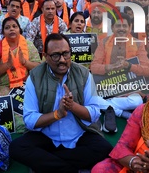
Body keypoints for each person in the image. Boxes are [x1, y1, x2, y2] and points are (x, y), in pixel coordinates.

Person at [9, 33, 112, 173]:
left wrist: (73, 106)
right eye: (56, 55)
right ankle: (69, 168)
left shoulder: (84, 74)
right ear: (45, 56)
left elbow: (94, 114)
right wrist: (58, 114)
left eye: (66, 54)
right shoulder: (35, 77)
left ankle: (49, 164)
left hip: (78, 135)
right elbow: (29, 120)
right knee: (17, 147)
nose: (62, 60)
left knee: (104, 148)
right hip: (47, 137)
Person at [0, 17, 41, 95]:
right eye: (7, 28)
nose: (11, 29)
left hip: (25, 83)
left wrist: (25, 62)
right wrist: (7, 65)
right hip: (4, 86)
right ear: (3, 33)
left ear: (19, 30)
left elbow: (39, 67)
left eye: (14, 26)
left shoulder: (28, 45)